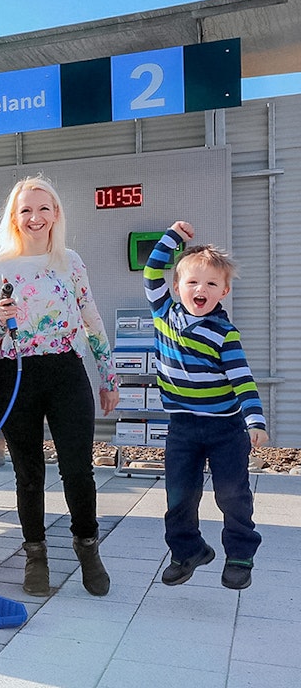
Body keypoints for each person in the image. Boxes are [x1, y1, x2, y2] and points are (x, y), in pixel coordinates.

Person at [0, 174, 118, 597]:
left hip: (65, 370)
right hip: (16, 373)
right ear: (14, 217)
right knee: (28, 473)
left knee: (78, 468)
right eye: (26, 210)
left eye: (44, 208)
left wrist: (107, 377)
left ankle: (87, 547)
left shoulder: (70, 261)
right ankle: (35, 553)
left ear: (56, 214)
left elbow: (91, 319)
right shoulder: (0, 266)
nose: (35, 217)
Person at [145, 222, 267, 590]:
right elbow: (152, 270)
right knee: (179, 495)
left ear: (224, 291)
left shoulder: (223, 333)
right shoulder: (163, 313)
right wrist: (173, 238)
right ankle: (187, 551)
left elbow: (242, 379)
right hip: (182, 426)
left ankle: (241, 554)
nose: (201, 289)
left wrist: (255, 420)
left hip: (225, 428)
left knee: (232, 494)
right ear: (178, 286)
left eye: (212, 284)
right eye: (193, 282)